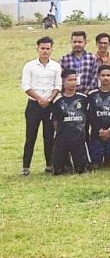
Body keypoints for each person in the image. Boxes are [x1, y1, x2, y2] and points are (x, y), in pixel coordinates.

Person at [21, 36, 62, 175]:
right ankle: (26, 167)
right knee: (30, 136)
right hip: (34, 104)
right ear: (37, 48)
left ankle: (49, 165)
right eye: (42, 48)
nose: (45, 51)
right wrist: (39, 99)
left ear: (51, 49)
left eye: (47, 48)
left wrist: (49, 99)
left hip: (50, 105)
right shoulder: (29, 66)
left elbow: (58, 86)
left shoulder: (56, 66)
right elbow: (26, 86)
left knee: (49, 136)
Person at [50, 69, 89, 175]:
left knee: (82, 170)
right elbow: (55, 121)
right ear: (63, 81)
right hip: (62, 138)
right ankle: (64, 162)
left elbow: (88, 118)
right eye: (70, 80)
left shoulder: (84, 99)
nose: (73, 83)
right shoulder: (57, 101)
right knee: (57, 171)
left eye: (75, 80)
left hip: (79, 138)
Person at [87, 65, 110, 169]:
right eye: (103, 75)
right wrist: (100, 130)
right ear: (98, 76)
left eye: (108, 75)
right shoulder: (92, 95)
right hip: (96, 134)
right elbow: (90, 116)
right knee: (95, 165)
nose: (105, 78)